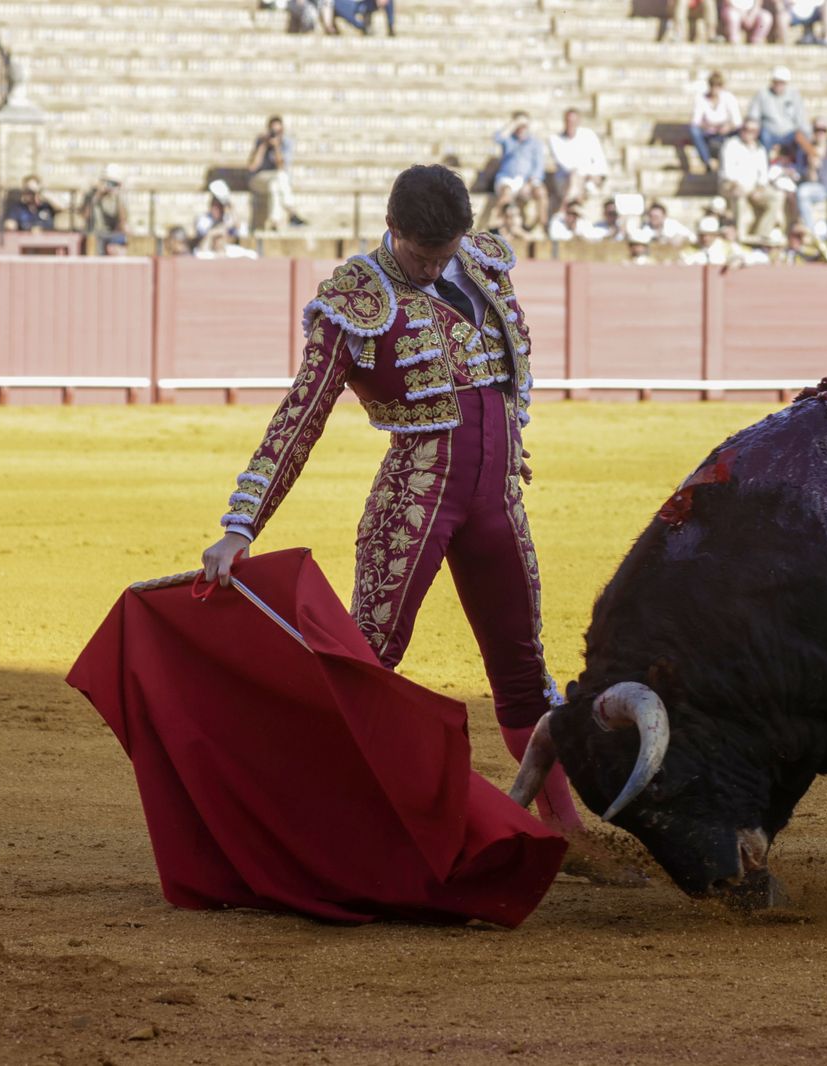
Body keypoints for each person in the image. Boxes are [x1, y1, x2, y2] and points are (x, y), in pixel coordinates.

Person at [199, 164, 591, 857]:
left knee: (524, 672)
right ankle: (317, 824)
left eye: (446, 251)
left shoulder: (481, 263)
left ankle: (567, 832)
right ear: (393, 228)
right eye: (422, 254)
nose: (438, 266)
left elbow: (505, 375)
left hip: (497, 499)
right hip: (415, 500)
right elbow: (299, 419)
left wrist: (511, 440)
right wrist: (240, 526)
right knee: (368, 665)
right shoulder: (355, 299)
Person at [719, 119, 782, 238]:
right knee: (738, 195)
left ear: (757, 133)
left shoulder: (760, 149)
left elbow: (763, 176)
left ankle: (761, 235)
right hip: (732, 185)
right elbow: (727, 173)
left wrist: (759, 189)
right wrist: (736, 185)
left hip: (754, 188)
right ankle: (741, 237)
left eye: (752, 130)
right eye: (745, 129)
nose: (748, 133)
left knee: (776, 197)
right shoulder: (731, 145)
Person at [488, 113, 549, 231]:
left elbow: (538, 167)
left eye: (524, 125)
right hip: (507, 178)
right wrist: (513, 123)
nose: (521, 128)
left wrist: (530, 183)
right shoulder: (508, 139)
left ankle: (542, 226)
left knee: (541, 192)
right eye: (519, 125)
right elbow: (496, 138)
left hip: (527, 181)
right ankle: (499, 227)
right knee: (506, 193)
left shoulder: (535, 143)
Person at [247, 116, 306, 229]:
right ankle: (291, 211)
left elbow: (281, 167)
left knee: (275, 184)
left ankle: (275, 221)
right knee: (280, 178)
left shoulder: (285, 143)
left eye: (278, 131)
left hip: (275, 180)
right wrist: (263, 146)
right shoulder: (261, 141)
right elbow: (253, 167)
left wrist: (277, 148)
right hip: (259, 179)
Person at [548, 109, 609, 210]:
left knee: (578, 180)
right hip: (565, 180)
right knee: (574, 179)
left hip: (588, 178)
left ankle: (567, 210)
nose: (571, 124)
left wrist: (592, 174)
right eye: (568, 121)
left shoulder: (589, 135)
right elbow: (566, 166)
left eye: (573, 122)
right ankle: (569, 208)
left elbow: (600, 160)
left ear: (578, 122)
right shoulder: (555, 139)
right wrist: (586, 173)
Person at [747, 67, 811, 153]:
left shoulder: (794, 95)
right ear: (772, 82)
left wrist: (807, 134)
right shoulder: (762, 94)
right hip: (769, 131)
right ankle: (766, 163)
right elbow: (754, 115)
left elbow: (800, 117)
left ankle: (799, 166)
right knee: (764, 137)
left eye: (782, 82)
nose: (779, 85)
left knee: (802, 140)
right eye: (776, 82)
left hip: (789, 133)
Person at [690, 71, 743, 174]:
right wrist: (709, 126)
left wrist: (728, 126)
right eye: (713, 85)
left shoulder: (729, 98)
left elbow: (738, 121)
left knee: (744, 129)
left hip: (726, 133)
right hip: (709, 133)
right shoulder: (701, 99)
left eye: (718, 85)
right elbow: (695, 122)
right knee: (694, 131)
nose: (715, 89)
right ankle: (707, 161)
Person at [80, 163, 129, 252]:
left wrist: (118, 198)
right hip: (93, 234)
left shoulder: (118, 199)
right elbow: (84, 216)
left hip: (111, 235)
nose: (110, 186)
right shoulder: (91, 195)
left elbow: (122, 223)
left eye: (114, 183)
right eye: (108, 182)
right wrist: (97, 195)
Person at [194, 180, 245, 247]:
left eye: (220, 207)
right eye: (215, 206)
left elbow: (240, 228)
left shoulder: (227, 218)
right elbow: (204, 235)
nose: (217, 210)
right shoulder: (204, 219)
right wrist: (220, 230)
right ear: (210, 206)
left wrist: (231, 207)